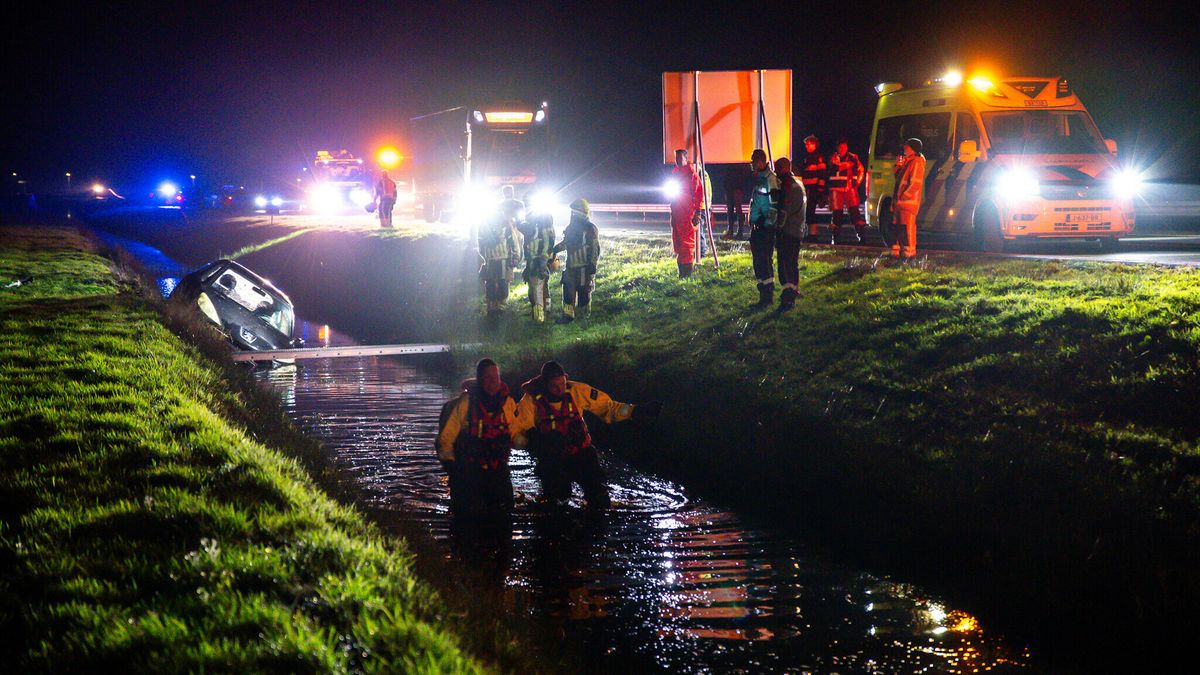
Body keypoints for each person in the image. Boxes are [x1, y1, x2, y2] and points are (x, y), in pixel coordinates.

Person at [511, 361, 661, 509]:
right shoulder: (530, 400)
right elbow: (518, 427)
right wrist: (536, 442)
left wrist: (636, 411)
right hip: (553, 458)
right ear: (544, 384)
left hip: (581, 453)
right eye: (554, 386)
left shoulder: (578, 391)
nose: (560, 389)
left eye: (562, 383)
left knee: (599, 498)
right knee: (558, 501)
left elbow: (608, 407)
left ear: (566, 378)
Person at [436, 359, 519, 517]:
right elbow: (446, 439)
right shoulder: (465, 404)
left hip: (496, 468)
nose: (493, 382)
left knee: (504, 508)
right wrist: (452, 467)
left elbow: (515, 433)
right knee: (469, 513)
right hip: (467, 470)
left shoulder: (507, 403)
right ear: (479, 379)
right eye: (488, 377)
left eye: (496, 377)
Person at [552, 198, 600, 323]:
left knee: (584, 291)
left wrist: (592, 266)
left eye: (575, 211)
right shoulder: (570, 228)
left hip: (584, 267)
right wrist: (555, 249)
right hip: (570, 267)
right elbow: (567, 243)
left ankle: (583, 317)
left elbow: (595, 248)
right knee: (568, 292)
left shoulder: (590, 228)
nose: (573, 215)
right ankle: (568, 316)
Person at [748, 148, 782, 308]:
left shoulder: (770, 179)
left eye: (753, 161)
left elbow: (775, 205)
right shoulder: (760, 179)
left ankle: (767, 295)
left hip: (765, 228)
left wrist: (767, 223)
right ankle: (763, 294)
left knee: (764, 260)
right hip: (758, 226)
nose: (752, 164)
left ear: (761, 162)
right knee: (758, 261)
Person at [774, 157, 807, 311]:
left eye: (777, 168)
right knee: (792, 263)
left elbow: (784, 210)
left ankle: (789, 295)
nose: (775, 172)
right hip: (798, 229)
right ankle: (793, 290)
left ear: (784, 168)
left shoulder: (788, 185)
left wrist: (777, 227)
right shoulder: (799, 183)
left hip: (788, 230)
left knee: (786, 264)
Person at [668, 149, 704, 277]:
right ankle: (682, 272)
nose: (677, 161)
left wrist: (697, 212)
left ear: (685, 158)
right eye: (676, 158)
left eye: (680, 158)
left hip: (687, 213)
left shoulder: (692, 175)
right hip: (677, 212)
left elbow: (699, 194)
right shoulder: (675, 174)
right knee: (678, 241)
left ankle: (686, 273)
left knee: (687, 243)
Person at [478, 208, 519, 318]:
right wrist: (485, 257)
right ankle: (492, 306)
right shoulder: (483, 226)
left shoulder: (506, 226)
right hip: (490, 260)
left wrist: (515, 256)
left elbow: (513, 242)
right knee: (490, 283)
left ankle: (501, 305)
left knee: (503, 282)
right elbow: (480, 244)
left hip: (503, 258)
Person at [891, 138, 927, 260]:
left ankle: (910, 255)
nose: (904, 148)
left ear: (912, 148)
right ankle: (901, 253)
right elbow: (898, 178)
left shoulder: (917, 162)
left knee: (907, 228)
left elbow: (915, 184)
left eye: (906, 146)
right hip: (901, 203)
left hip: (907, 203)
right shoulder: (909, 161)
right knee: (900, 228)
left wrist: (903, 197)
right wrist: (897, 166)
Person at [827, 139, 867, 244]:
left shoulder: (854, 158)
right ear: (837, 148)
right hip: (836, 190)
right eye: (840, 147)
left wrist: (856, 183)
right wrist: (848, 164)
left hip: (850, 190)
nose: (842, 149)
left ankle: (861, 236)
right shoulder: (833, 158)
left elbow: (861, 170)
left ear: (847, 147)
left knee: (855, 213)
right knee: (837, 214)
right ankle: (835, 238)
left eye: (844, 147)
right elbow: (836, 167)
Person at [521, 211, 557, 323]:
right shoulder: (532, 223)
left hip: (539, 259)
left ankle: (540, 316)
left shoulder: (542, 223)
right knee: (537, 286)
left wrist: (544, 260)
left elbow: (549, 244)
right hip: (534, 260)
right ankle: (543, 310)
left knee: (537, 286)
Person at [798, 135, 827, 243]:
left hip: (813, 190)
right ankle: (809, 235)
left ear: (814, 144)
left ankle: (812, 236)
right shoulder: (808, 158)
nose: (806, 146)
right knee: (807, 212)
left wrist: (820, 191)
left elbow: (822, 175)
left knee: (810, 212)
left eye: (808, 144)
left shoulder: (819, 158)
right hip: (807, 190)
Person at [723, 161, 750, 240]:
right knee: (731, 209)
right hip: (731, 185)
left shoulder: (740, 159)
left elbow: (746, 170)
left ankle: (739, 232)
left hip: (737, 185)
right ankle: (731, 231)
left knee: (737, 209)